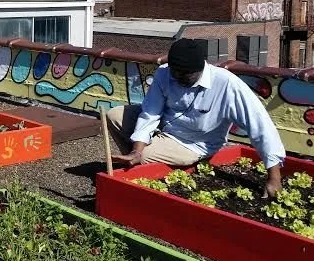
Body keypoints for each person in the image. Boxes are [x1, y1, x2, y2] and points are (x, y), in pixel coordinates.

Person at [106, 38, 286, 197]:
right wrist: (136, 150)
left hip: (192, 143)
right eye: (175, 74)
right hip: (164, 127)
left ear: (201, 68)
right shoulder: (165, 73)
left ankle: (140, 172)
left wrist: (274, 177)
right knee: (114, 116)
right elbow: (150, 113)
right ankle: (133, 162)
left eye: (185, 75)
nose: (179, 79)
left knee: (147, 155)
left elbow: (260, 126)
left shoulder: (227, 85)